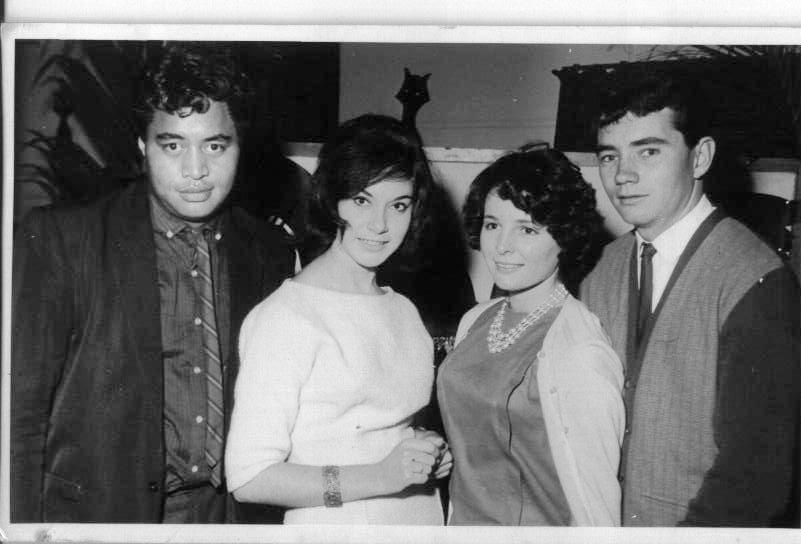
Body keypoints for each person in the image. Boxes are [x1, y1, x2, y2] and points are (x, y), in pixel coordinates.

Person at [11, 43, 298, 523]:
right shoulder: (64, 241)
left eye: (214, 145)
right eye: (173, 145)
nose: (195, 171)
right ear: (143, 147)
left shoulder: (269, 252)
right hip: (104, 518)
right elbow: (20, 418)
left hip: (227, 517)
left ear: (239, 147)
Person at [581, 74, 801, 526]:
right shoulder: (598, 269)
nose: (622, 175)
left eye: (648, 151)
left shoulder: (755, 279)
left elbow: (754, 477)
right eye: (609, 156)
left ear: (700, 157)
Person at [224, 114, 451, 525]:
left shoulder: (403, 308)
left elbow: (380, 428)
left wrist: (425, 452)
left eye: (398, 205)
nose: (379, 225)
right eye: (362, 201)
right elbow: (250, 478)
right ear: (332, 198)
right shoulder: (286, 317)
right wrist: (382, 475)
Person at [436, 144, 625, 526]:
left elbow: (596, 507)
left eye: (527, 229)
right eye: (493, 225)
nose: (502, 246)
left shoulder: (579, 350)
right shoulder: (476, 320)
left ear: (564, 237)